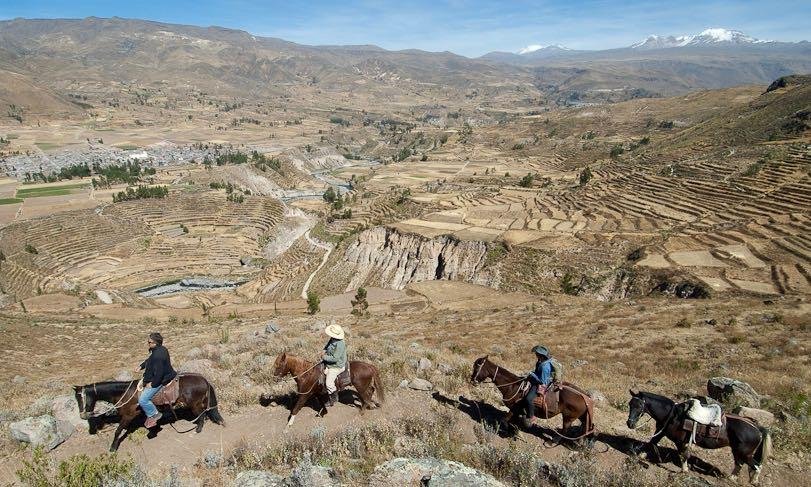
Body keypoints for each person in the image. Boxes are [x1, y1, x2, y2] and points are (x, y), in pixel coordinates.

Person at [138, 332, 177, 428]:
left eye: (149, 342)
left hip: (162, 379)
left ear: (155, 343)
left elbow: (159, 373)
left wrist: (153, 384)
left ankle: (154, 414)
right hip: (163, 375)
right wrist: (142, 366)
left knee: (143, 400)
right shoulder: (159, 349)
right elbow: (150, 360)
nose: (148, 344)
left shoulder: (158, 355)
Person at [525, 345, 553, 425]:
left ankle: (531, 416)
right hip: (537, 379)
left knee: (529, 398)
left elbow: (542, 381)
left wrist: (532, 374)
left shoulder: (545, 366)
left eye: (537, 354)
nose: (536, 355)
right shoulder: (540, 361)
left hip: (542, 384)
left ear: (541, 355)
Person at [322, 324, 347, 407]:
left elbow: (335, 358)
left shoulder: (340, 344)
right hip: (329, 361)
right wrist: (323, 351)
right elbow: (327, 346)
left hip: (336, 365)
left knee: (329, 383)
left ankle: (334, 396)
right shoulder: (333, 339)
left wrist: (324, 357)